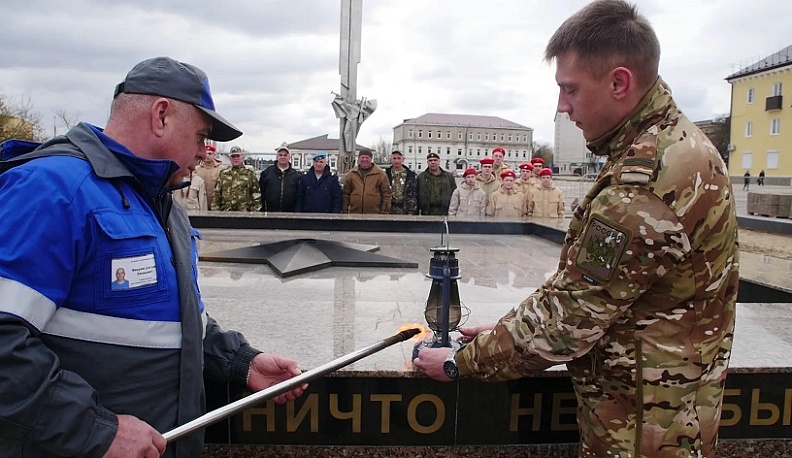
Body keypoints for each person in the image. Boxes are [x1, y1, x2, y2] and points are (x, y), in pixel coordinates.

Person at [413, 2, 739, 457]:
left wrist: (458, 362)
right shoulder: (671, 146)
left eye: (570, 89)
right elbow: (586, 288)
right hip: (661, 414)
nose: (562, 107)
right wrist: (503, 331)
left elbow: (569, 317)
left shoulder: (644, 185)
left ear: (619, 83)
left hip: (644, 432)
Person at [0, 57, 306, 457]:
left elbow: (170, 318)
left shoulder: (164, 205)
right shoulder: (52, 189)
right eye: (201, 135)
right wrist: (94, 429)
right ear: (161, 115)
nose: (205, 150)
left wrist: (239, 362)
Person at [211, 146, 261, 211]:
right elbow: (217, 194)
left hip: (244, 213)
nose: (235, 158)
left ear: (242, 158)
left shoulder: (249, 173)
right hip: (226, 213)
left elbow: (256, 194)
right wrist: (216, 211)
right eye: (233, 157)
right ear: (230, 158)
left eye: (238, 156)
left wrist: (254, 212)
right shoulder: (223, 173)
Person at [342, 149, 392, 213]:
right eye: (362, 157)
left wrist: (384, 213)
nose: (364, 160)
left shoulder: (380, 174)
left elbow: (386, 195)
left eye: (367, 158)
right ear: (359, 159)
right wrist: (345, 211)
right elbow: (345, 194)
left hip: (375, 214)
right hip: (354, 214)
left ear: (371, 159)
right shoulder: (351, 174)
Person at [259, 145, 301, 212]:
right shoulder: (267, 173)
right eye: (280, 155)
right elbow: (261, 192)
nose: (282, 157)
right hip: (270, 212)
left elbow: (299, 196)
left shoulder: (296, 175)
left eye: (285, 155)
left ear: (289, 157)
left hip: (290, 213)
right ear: (277, 157)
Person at [385, 149, 418, 215]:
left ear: (403, 159)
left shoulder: (411, 175)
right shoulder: (385, 174)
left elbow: (413, 194)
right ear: (391, 160)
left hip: (405, 210)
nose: (396, 161)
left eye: (399, 158)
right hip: (389, 210)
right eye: (394, 158)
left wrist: (411, 211)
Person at [195, 144, 224, 209]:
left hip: (216, 204)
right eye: (206, 153)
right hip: (201, 203)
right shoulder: (197, 169)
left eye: (210, 153)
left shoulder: (221, 169)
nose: (207, 156)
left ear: (214, 155)